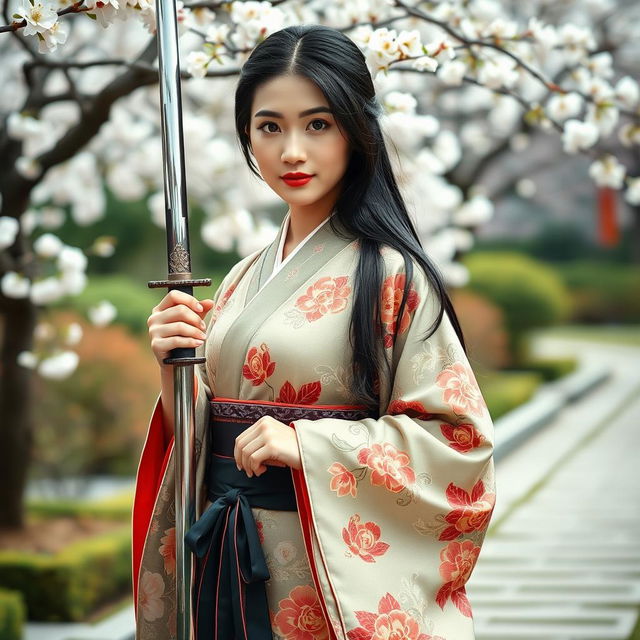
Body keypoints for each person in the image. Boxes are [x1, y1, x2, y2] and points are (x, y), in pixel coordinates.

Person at [133, 23, 496, 640]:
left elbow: (458, 443)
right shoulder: (243, 275)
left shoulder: (392, 276)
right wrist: (175, 367)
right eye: (269, 127)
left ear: (356, 131)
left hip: (323, 574)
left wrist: (311, 446)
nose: (292, 151)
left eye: (318, 124)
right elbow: (205, 433)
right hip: (229, 562)